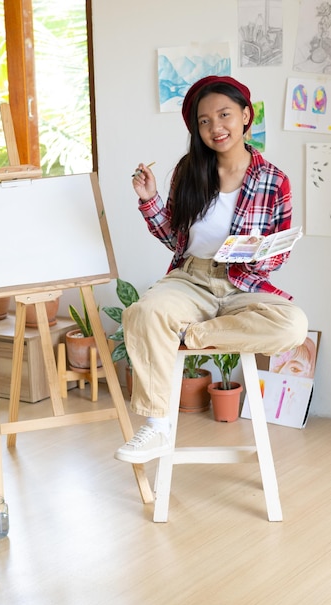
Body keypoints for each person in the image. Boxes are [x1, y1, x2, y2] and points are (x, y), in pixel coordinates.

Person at [115, 75, 308, 464]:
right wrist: (150, 200)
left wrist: (256, 254)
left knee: (293, 326)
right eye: (204, 121)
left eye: (224, 115)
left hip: (244, 283)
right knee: (142, 313)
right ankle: (156, 427)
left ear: (245, 116)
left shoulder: (274, 180)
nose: (215, 127)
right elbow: (175, 239)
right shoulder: (189, 170)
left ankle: (191, 333)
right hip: (192, 277)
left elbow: (279, 254)